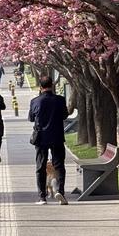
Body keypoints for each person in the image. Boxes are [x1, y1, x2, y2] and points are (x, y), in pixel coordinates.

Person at [28, 74, 70, 205]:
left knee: (40, 166)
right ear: (52, 86)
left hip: (41, 138)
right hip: (57, 136)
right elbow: (64, 115)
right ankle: (60, 192)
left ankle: (42, 197)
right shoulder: (60, 100)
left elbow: (30, 118)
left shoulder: (35, 101)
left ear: (40, 87)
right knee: (59, 165)